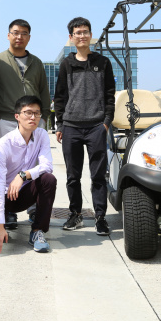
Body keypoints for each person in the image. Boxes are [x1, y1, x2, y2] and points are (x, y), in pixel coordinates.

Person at [0, 18, 51, 229]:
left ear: (29, 37)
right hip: (6, 118)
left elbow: (44, 92)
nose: (19, 36)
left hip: (33, 119)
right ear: (8, 35)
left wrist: (45, 117)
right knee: (8, 165)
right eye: (15, 32)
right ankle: (8, 210)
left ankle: (32, 208)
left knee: (34, 164)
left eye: (23, 33)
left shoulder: (37, 62)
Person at [55, 17, 115, 236]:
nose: (82, 36)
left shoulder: (103, 62)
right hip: (71, 126)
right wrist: (60, 124)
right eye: (77, 32)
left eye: (85, 32)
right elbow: (59, 96)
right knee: (73, 176)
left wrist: (106, 123)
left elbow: (110, 95)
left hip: (96, 126)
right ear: (71, 37)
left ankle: (100, 218)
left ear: (91, 35)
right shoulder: (66, 64)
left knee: (98, 176)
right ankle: (75, 215)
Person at [0, 95, 57, 254]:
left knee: (48, 180)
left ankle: (38, 231)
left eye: (37, 113)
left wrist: (23, 175)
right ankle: (2, 221)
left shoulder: (41, 135)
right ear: (17, 116)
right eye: (28, 113)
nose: (33, 117)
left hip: (23, 192)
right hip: (1, 194)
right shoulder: (3, 145)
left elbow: (47, 166)